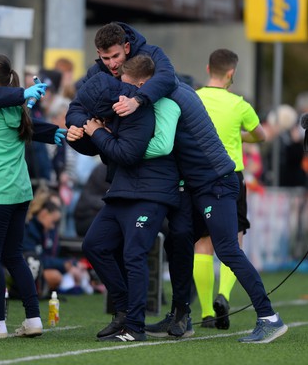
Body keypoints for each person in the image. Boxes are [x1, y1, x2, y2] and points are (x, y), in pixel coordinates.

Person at [115, 55, 288, 343]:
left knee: (228, 250)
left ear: (144, 84)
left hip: (215, 183)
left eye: (129, 87)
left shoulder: (170, 99)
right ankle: (181, 314)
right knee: (179, 239)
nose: (127, 93)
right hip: (205, 183)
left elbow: (162, 145)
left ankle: (269, 317)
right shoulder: (176, 91)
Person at [66, 62, 180, 342]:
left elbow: (126, 153)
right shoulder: (117, 104)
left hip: (150, 194)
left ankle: (135, 326)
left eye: (126, 80)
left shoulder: (142, 110)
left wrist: (96, 132)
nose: (122, 85)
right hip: (124, 190)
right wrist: (77, 136)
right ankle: (123, 311)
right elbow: (98, 138)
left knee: (134, 254)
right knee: (94, 245)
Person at [192, 49, 266, 330]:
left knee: (203, 242)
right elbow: (262, 135)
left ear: (208, 67)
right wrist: (240, 135)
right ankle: (224, 295)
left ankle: (207, 311)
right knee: (233, 240)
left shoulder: (194, 98)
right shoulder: (239, 104)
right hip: (230, 175)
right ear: (231, 73)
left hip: (199, 176)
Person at [0, 54, 63, 339]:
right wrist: (24, 95)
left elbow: (34, 128)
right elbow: (33, 128)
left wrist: (57, 130)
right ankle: (33, 319)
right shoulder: (14, 106)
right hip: (20, 193)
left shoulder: (7, 104)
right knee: (13, 256)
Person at [66, 21, 178, 130]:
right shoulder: (96, 72)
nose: (112, 64)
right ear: (99, 54)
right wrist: (90, 125)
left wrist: (136, 100)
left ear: (126, 47)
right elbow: (75, 109)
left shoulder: (151, 54)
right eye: (106, 58)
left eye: (116, 56)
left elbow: (167, 77)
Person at [23, 187, 94, 295]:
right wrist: (64, 265)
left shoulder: (47, 229)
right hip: (28, 270)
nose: (53, 226)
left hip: (42, 267)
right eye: (54, 206)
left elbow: (51, 256)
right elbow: (33, 259)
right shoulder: (30, 227)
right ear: (45, 212)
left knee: (78, 272)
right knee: (55, 276)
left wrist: (72, 264)